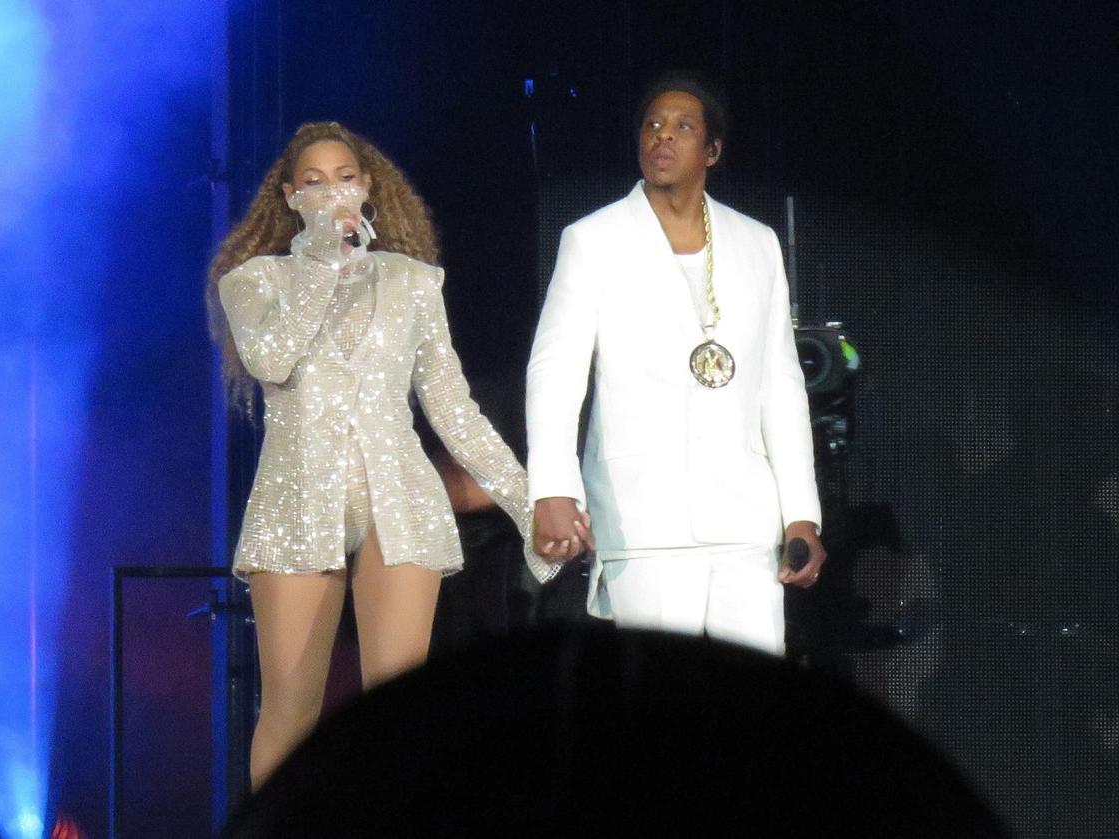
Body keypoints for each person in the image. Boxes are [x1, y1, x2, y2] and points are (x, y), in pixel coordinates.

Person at [206, 121, 557, 789]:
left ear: (366, 189)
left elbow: (453, 409)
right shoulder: (254, 280)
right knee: (290, 707)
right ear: (289, 197)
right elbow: (270, 358)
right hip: (297, 504)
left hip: (400, 501)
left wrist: (526, 500)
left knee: (401, 713)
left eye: (344, 177)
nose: (331, 191)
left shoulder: (413, 282)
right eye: (313, 182)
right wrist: (320, 266)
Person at [526, 74, 825, 655]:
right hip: (644, 516)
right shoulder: (593, 240)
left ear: (712, 150)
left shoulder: (756, 242)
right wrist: (553, 489)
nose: (662, 137)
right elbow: (555, 372)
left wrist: (801, 514)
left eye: (682, 127)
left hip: (745, 518)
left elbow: (781, 387)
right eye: (652, 126)